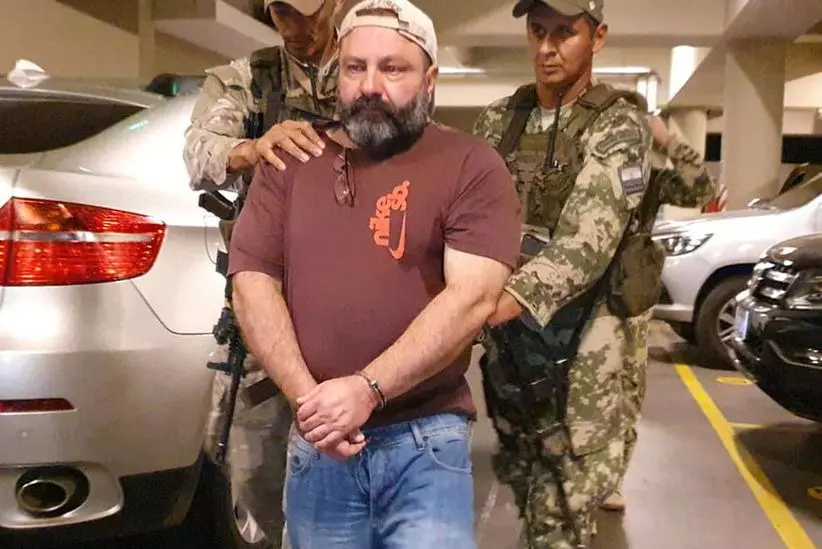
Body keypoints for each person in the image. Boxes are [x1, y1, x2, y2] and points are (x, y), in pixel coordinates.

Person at [226, 0, 523, 547]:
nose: (369, 86)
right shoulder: (290, 160)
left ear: (429, 79)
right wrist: (311, 403)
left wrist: (367, 390)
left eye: (393, 68)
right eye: (355, 67)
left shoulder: (471, 164)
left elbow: (472, 297)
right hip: (318, 438)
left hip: (426, 438)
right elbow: (251, 283)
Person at [471, 0, 716, 547]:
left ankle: (600, 476)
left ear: (597, 37)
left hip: (595, 321)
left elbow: (589, 241)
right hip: (518, 333)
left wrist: (667, 139)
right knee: (532, 470)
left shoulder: (620, 124)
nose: (546, 48)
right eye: (537, 31)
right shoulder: (499, 120)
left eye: (564, 32)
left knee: (570, 489)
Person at [183, 0, 345, 546]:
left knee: (352, 463)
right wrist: (253, 148)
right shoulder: (250, 79)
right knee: (254, 470)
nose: (298, 28)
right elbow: (198, 154)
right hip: (266, 304)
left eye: (309, 12)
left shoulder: (367, 68)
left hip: (352, 309)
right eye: (283, 14)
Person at [600, 111, 717, 512]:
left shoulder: (648, 178)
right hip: (578, 297)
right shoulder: (583, 166)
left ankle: (610, 480)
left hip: (629, 297)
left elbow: (700, 189)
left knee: (625, 388)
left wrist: (670, 142)